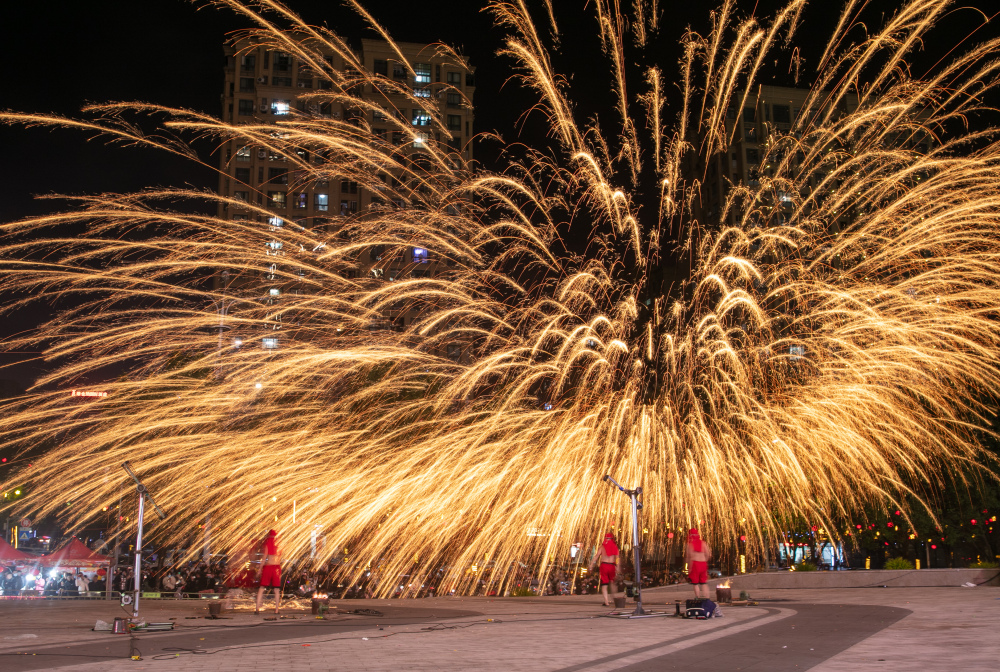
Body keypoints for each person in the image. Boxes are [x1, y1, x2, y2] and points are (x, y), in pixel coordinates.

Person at [588, 532, 620, 607]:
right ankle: (615, 598)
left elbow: (596, 556)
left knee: (604, 585)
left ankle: (606, 602)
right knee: (612, 583)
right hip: (612, 565)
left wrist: (591, 565)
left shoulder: (602, 547)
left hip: (604, 566)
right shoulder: (615, 546)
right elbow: (617, 558)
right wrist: (618, 566)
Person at [256, 529, 282, 615]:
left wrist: (260, 569)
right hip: (276, 568)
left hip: (268, 567)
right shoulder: (280, 543)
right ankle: (277, 610)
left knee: (262, 588)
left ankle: (257, 608)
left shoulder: (268, 543)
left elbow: (264, 558)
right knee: (276, 589)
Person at [685, 528, 712, 598]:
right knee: (703, 583)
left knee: (695, 583)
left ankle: (698, 597)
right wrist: (705, 561)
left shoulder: (690, 544)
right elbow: (708, 554)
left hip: (695, 564)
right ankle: (706, 597)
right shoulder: (703, 543)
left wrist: (689, 568)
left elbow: (690, 557)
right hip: (703, 563)